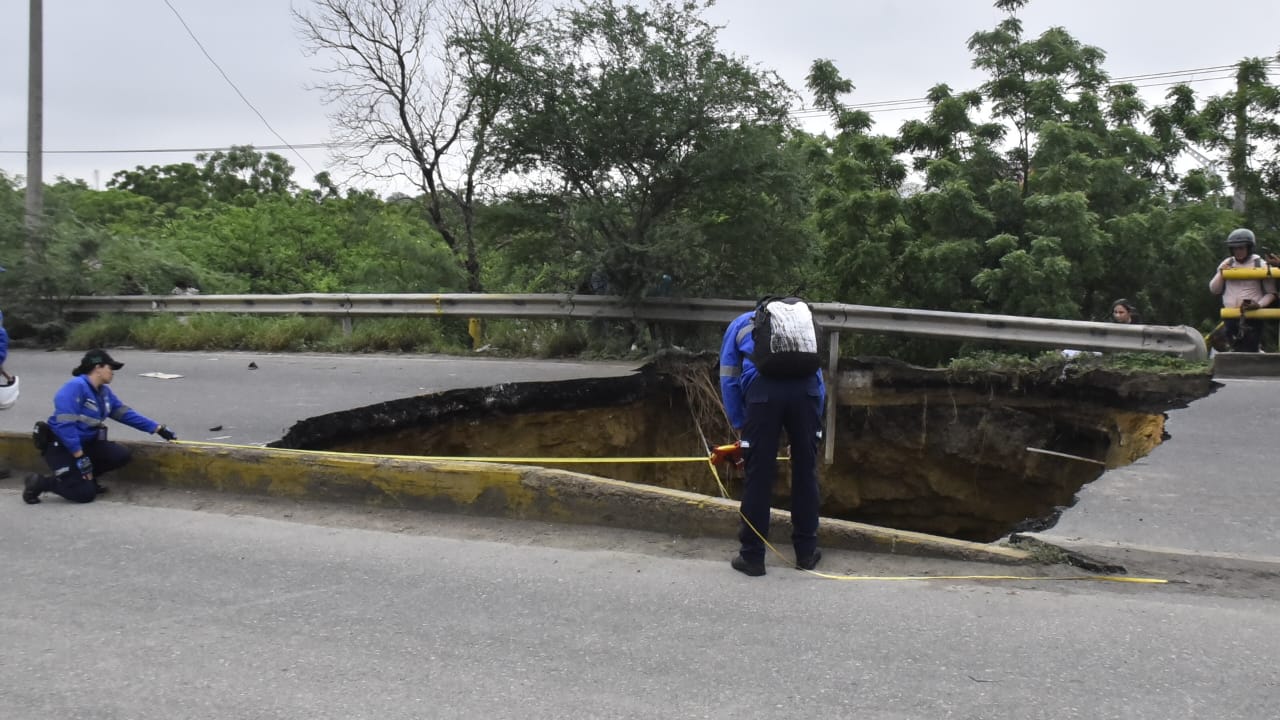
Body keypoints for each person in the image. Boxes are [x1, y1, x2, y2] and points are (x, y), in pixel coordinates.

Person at [719, 299, 825, 576]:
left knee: (759, 473)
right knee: (805, 470)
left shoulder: (742, 323)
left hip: (763, 396)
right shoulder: (802, 326)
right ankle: (806, 552)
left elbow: (729, 376)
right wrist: (813, 425)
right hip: (806, 394)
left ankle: (752, 557)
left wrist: (739, 421)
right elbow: (818, 376)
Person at [22, 349, 178, 505]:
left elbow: (124, 414)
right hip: (62, 447)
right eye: (110, 368)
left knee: (120, 455)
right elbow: (65, 426)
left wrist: (157, 428)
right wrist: (79, 456)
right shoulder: (75, 387)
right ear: (98, 368)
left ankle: (86, 479)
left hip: (87, 444)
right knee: (84, 495)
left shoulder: (103, 392)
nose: (112, 372)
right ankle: (40, 483)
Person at [1209, 228, 1276, 353]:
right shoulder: (1227, 262)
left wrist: (1259, 305)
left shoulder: (1260, 264)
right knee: (1231, 350)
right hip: (1230, 315)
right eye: (1235, 248)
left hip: (1252, 315)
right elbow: (1214, 289)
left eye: (1241, 248)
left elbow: (1271, 293)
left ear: (1249, 248)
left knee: (1249, 350)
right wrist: (1221, 274)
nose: (1238, 251)